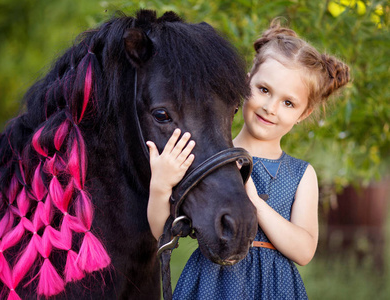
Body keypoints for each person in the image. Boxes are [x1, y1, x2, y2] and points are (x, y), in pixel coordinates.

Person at [146, 19, 350, 299]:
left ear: (303, 113)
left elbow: (304, 251)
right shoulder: (207, 158)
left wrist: (254, 203)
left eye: (288, 102)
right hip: (209, 286)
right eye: (264, 90)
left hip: (274, 289)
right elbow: (161, 233)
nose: (270, 108)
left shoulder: (300, 174)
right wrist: (160, 186)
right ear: (244, 82)